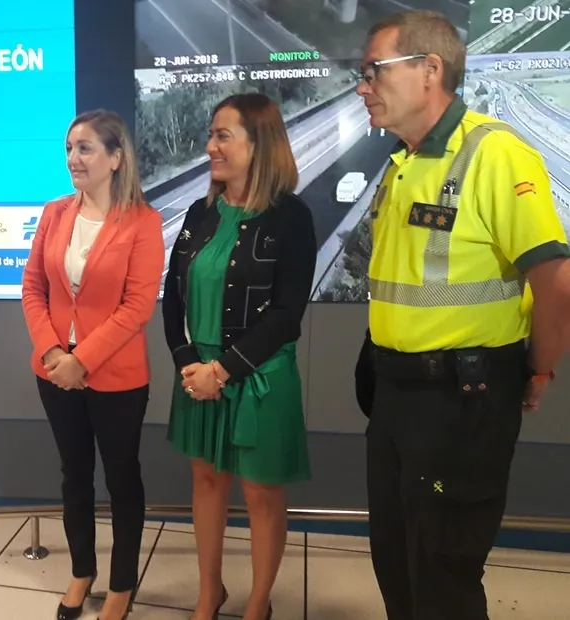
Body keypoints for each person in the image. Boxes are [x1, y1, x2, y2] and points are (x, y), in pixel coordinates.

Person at [355, 10, 570, 620]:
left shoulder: (494, 153)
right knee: (397, 566)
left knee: (442, 579)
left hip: (461, 400)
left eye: (374, 71)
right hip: (395, 397)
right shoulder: (403, 162)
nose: (363, 87)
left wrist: (539, 368)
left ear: (430, 70)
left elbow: (557, 282)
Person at [162, 93, 316, 620]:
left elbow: (287, 314)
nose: (210, 146)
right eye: (211, 135)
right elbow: (173, 298)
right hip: (198, 376)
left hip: (257, 376)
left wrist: (223, 371)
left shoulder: (291, 218)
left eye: (223, 136)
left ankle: (257, 605)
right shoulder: (199, 214)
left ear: (260, 144)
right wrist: (190, 364)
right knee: (206, 484)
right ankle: (210, 594)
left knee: (260, 498)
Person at [21, 109, 165, 620]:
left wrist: (82, 359)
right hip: (54, 373)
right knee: (74, 476)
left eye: (84, 148)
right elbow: (33, 288)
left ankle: (122, 584)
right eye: (69, 148)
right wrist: (53, 353)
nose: (73, 158)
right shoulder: (54, 213)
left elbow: (137, 306)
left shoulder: (143, 222)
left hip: (116, 378)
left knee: (122, 479)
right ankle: (82, 571)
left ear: (115, 157)